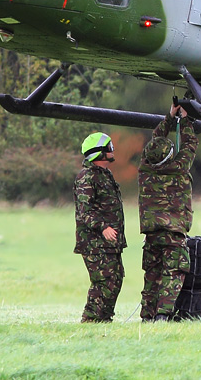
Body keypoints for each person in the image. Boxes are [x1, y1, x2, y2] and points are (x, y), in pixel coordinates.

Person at [139, 102, 198, 322]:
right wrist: (184, 120)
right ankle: (163, 316)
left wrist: (169, 118)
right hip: (173, 232)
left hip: (152, 234)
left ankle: (147, 316)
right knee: (173, 273)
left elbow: (155, 142)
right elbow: (191, 143)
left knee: (152, 276)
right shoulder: (179, 168)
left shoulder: (144, 169)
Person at [73, 131, 126, 323]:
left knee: (115, 279)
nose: (113, 151)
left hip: (110, 242)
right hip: (95, 242)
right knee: (103, 282)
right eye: (109, 148)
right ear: (99, 153)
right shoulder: (86, 177)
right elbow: (84, 211)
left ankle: (104, 321)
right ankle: (90, 320)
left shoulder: (105, 175)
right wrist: (103, 227)